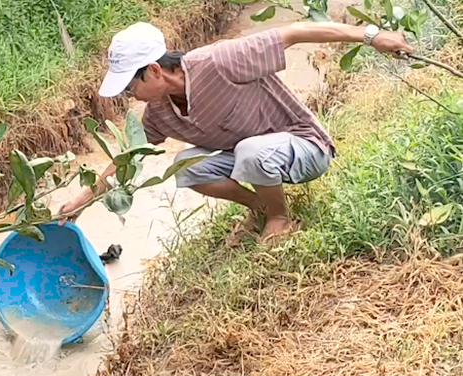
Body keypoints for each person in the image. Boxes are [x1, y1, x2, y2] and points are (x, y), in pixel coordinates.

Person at [58, 20, 413, 244]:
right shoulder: (159, 114)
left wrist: (372, 36)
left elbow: (293, 33)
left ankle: (280, 218)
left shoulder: (219, 60)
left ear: (153, 71)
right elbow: (127, 161)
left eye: (128, 86)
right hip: (256, 157)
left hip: (305, 147)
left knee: (250, 151)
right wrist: (80, 200)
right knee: (185, 165)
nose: (127, 95)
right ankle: (260, 206)